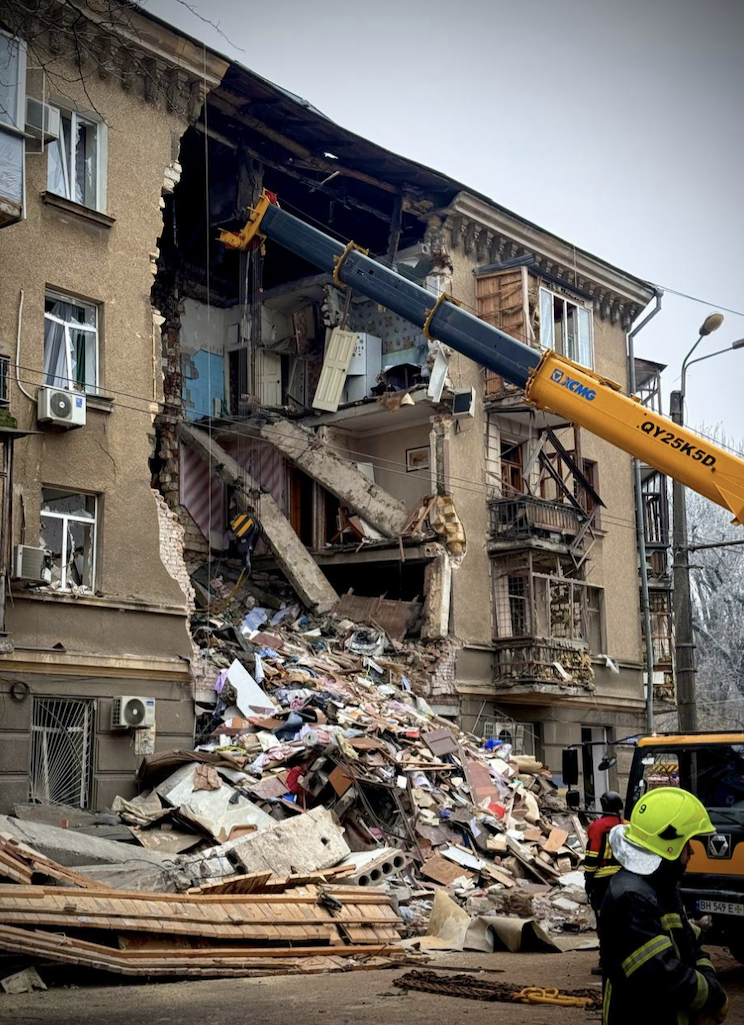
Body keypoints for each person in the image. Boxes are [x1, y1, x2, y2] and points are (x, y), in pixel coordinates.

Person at [600, 787, 728, 1025]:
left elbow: (693, 947)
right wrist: (714, 996)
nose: (691, 851)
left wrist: (709, 985)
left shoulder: (660, 888)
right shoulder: (632, 898)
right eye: (686, 843)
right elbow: (661, 975)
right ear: (668, 845)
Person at [584, 790, 624, 975]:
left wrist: (588, 881)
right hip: (624, 879)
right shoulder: (626, 826)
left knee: (605, 923)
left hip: (602, 881)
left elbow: (592, 858)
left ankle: (606, 962)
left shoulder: (597, 827)